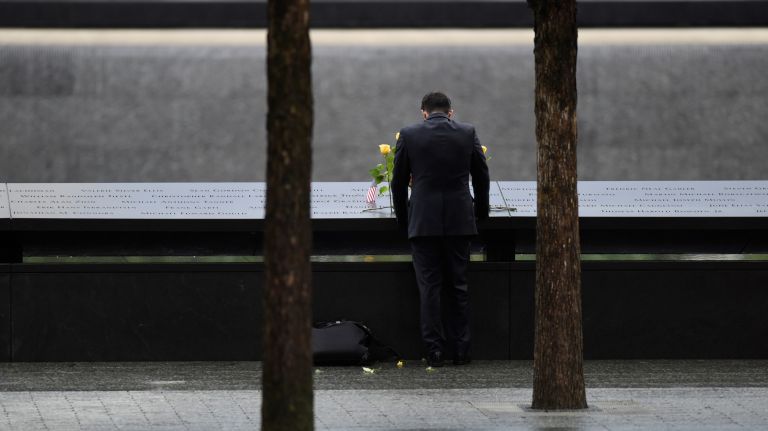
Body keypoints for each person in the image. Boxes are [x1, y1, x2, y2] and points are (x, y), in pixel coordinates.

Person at [391, 92, 490, 367]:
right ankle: (462, 351)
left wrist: (404, 220)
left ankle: (434, 351)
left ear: (423, 112)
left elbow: (398, 183)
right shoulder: (468, 133)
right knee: (458, 286)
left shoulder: (409, 135)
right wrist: (480, 213)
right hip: (460, 221)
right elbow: (482, 177)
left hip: (423, 222)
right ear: (451, 111)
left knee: (430, 288)